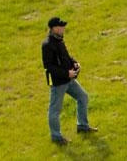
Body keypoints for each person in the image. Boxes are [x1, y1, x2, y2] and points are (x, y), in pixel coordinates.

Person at [42, 16, 98, 145]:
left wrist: (74, 63)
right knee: (55, 110)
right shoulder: (47, 45)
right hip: (58, 83)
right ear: (54, 28)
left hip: (69, 79)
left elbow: (66, 56)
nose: (64, 28)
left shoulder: (59, 40)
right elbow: (49, 66)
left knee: (83, 97)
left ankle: (82, 126)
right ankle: (56, 137)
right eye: (61, 27)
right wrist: (66, 73)